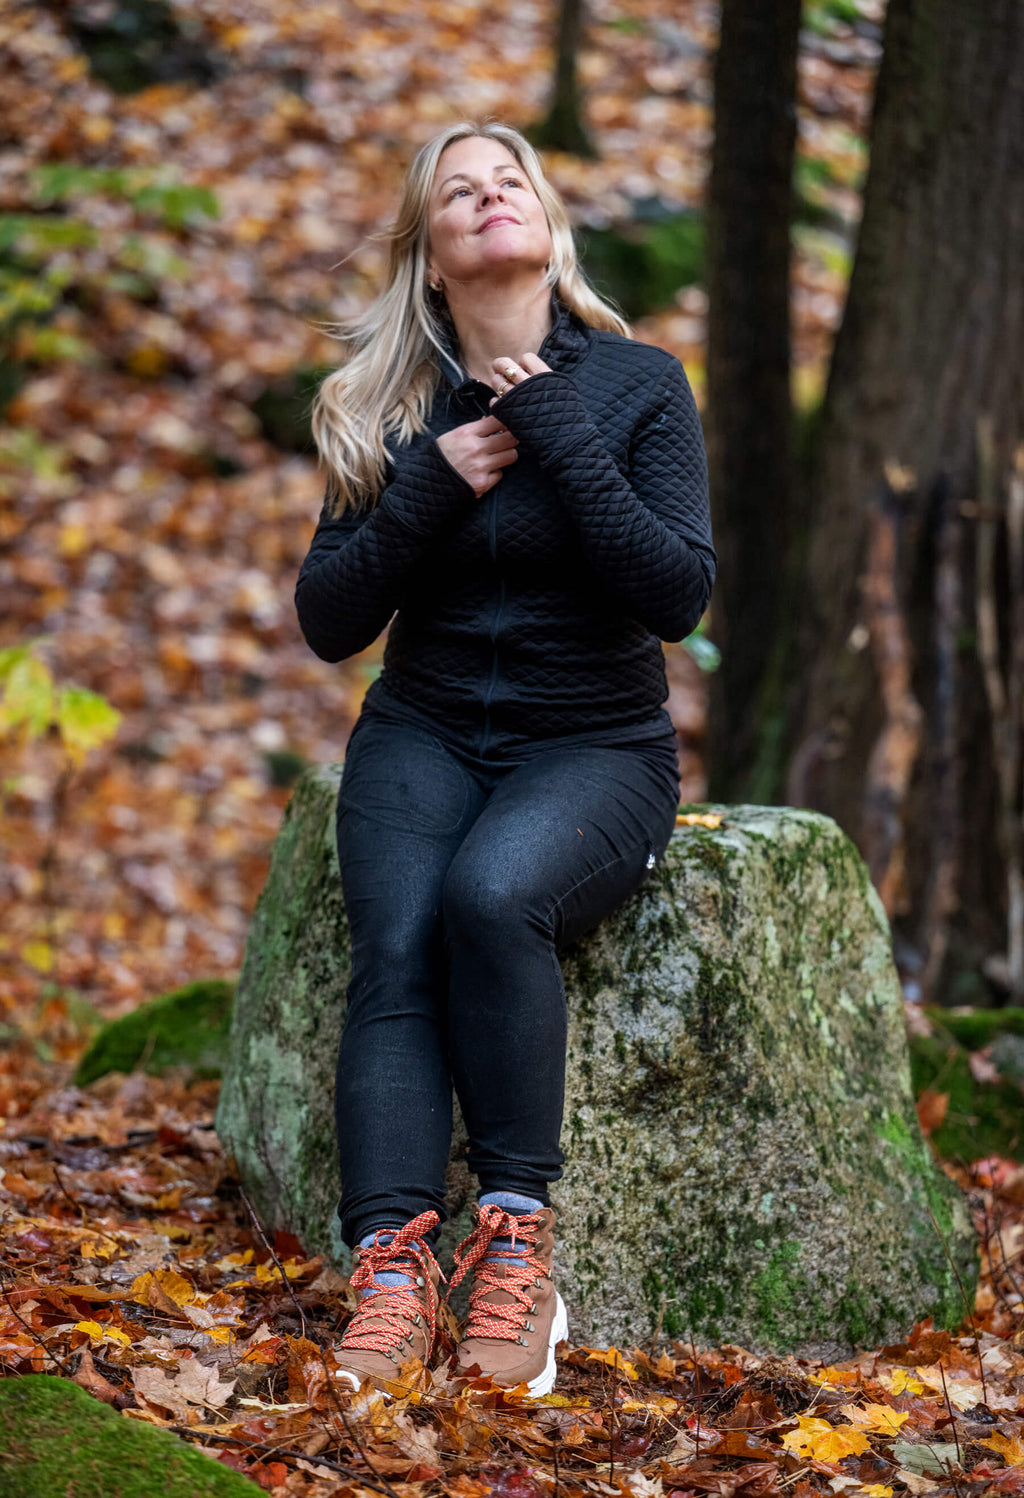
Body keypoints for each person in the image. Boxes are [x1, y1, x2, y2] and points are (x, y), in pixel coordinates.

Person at [294, 120, 715, 1398]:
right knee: (399, 934)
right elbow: (328, 621)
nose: (488, 199)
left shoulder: (639, 386)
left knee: (489, 897)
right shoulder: (388, 407)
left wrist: (556, 432)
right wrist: (428, 486)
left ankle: (517, 1242)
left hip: (595, 747)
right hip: (422, 733)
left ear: (546, 222)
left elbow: (676, 594)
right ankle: (389, 1269)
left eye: (508, 181)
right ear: (430, 256)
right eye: (457, 192)